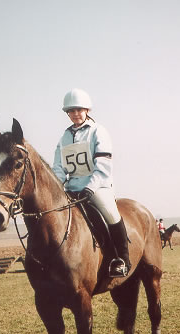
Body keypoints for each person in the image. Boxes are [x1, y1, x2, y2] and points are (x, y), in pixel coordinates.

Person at [53, 88, 131, 277]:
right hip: (72, 188)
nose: (75, 114)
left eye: (79, 110)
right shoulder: (64, 137)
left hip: (97, 186)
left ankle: (121, 258)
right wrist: (57, 188)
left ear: (87, 110)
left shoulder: (98, 131)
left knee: (110, 212)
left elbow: (103, 165)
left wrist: (90, 187)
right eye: (71, 111)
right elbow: (58, 167)